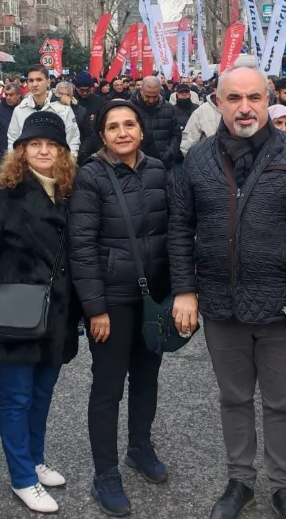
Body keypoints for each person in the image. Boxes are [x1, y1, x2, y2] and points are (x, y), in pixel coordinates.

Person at [169, 57, 286, 519]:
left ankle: (284, 486)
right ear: (218, 103)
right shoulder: (197, 159)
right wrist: (185, 289)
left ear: (270, 100)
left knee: (283, 403)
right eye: (235, 98)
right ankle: (240, 481)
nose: (245, 107)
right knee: (234, 399)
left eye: (254, 97)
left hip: (285, 306)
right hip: (222, 306)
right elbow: (180, 228)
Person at [0, 112, 81, 514]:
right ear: (22, 150)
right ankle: (22, 477)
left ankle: (34, 457)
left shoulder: (68, 190)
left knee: (42, 393)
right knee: (16, 397)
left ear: (63, 152)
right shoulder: (2, 191)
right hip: (14, 310)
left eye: (52, 145)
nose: (44, 151)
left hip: (58, 312)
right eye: (35, 144)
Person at [69, 99, 171, 517]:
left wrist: (179, 292)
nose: (123, 132)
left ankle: (139, 447)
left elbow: (173, 232)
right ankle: (104, 472)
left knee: (147, 378)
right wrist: (95, 308)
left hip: (152, 299)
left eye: (130, 125)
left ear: (142, 131)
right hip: (111, 299)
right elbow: (82, 248)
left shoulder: (159, 171)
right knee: (108, 387)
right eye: (114, 127)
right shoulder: (90, 177)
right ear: (103, 134)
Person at [7, 65, 80, 157]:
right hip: (27, 166)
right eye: (31, 80)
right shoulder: (19, 110)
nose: (34, 84)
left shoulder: (63, 109)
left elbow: (73, 139)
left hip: (57, 165)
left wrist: (68, 163)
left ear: (48, 82)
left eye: (39, 80)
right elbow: (13, 139)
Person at [130, 76, 183, 169]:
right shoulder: (128, 108)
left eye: (155, 96)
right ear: (141, 90)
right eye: (147, 96)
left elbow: (176, 134)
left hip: (164, 162)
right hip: (135, 163)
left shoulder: (169, 108)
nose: (151, 100)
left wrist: (170, 153)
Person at [55, 82, 100, 163]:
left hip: (74, 155)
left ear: (72, 95)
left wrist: (81, 153)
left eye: (67, 95)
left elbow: (88, 135)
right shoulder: (49, 109)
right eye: (60, 94)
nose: (63, 97)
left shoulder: (81, 111)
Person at [180, 90, 222, 156]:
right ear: (216, 90)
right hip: (209, 161)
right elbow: (189, 142)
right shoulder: (201, 111)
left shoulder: (241, 109)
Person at [0, 83, 21, 164]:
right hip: (3, 153)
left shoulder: (24, 108)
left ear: (18, 95)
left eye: (11, 95)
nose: (8, 97)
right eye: (6, 95)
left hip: (22, 152)